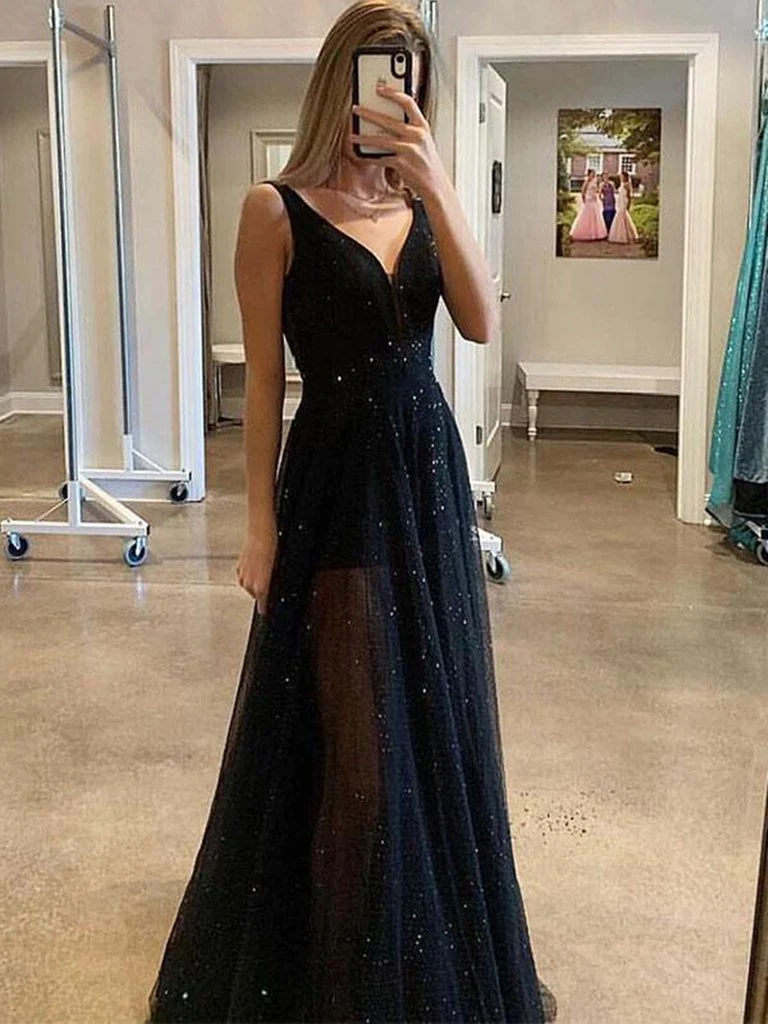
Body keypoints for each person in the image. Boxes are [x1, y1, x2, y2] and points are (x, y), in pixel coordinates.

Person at [146, 2, 553, 1022]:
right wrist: (258, 527)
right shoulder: (274, 209)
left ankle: (407, 955)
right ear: (343, 79)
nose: (395, 91)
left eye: (412, 75)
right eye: (381, 70)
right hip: (336, 485)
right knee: (357, 752)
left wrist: (439, 181)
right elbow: (264, 384)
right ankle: (339, 979)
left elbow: (478, 321)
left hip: (424, 481)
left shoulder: (425, 203)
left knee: (430, 725)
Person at [569, 167, 607, 243]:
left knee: (596, 216)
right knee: (586, 216)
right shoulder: (586, 181)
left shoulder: (595, 181)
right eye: (592, 173)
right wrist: (584, 200)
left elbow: (596, 190)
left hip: (594, 199)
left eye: (594, 173)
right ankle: (585, 233)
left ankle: (596, 234)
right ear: (589, 174)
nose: (593, 175)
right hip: (588, 199)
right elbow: (583, 191)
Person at [608, 171, 640, 244]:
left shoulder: (627, 185)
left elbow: (629, 196)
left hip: (624, 202)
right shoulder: (622, 184)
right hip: (620, 201)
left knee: (623, 216)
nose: (620, 177)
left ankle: (627, 235)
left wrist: (628, 205)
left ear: (625, 177)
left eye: (622, 176)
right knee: (620, 216)